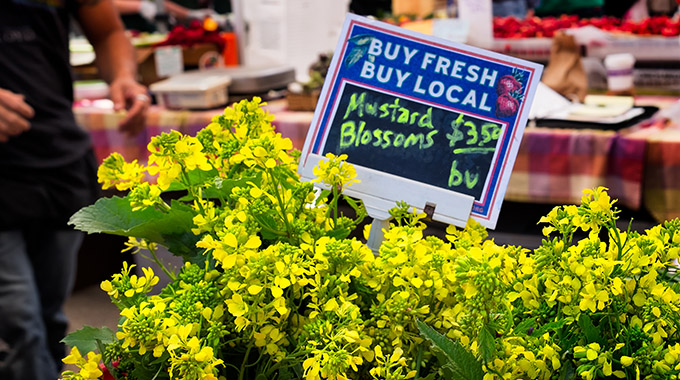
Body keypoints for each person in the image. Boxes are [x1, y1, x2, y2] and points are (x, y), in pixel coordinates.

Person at [0, 1, 149, 379]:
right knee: (20, 325)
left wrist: (123, 76)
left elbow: (108, 31)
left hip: (57, 163)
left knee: (51, 318)